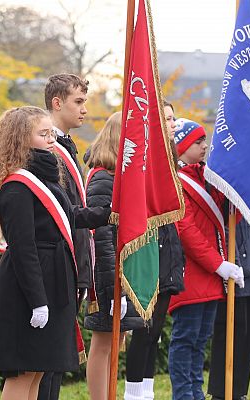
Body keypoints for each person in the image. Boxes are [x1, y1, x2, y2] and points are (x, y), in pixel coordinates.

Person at [0, 106, 110, 399]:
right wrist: (37, 300)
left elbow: (71, 215)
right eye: (43, 134)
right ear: (20, 140)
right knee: (24, 370)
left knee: (39, 370)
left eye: (51, 133)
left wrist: (110, 213)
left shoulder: (47, 178)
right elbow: (23, 248)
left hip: (54, 279)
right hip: (30, 286)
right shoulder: (17, 186)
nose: (51, 139)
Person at [168, 118, 244, 400]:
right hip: (192, 273)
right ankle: (183, 394)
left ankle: (195, 391)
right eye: (198, 142)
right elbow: (186, 231)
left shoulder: (207, 176)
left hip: (211, 275)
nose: (205, 146)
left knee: (200, 341)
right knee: (185, 339)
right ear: (183, 146)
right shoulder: (176, 182)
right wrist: (218, 264)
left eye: (204, 141)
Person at [124, 101, 185, 400]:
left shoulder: (171, 158)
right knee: (143, 329)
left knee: (155, 332)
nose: (174, 124)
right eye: (169, 119)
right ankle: (134, 392)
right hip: (149, 247)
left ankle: (146, 391)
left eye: (174, 119)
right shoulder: (147, 158)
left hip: (167, 244)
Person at [82, 112, 145, 400]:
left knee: (114, 342)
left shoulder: (117, 177)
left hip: (121, 273)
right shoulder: (102, 179)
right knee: (104, 343)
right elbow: (102, 237)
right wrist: (112, 287)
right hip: (106, 278)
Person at [40, 73, 91, 400]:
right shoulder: (48, 152)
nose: (84, 109)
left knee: (56, 360)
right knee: (45, 362)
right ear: (57, 103)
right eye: (79, 102)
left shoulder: (67, 148)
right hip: (56, 263)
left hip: (70, 262)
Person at [207, 219, 250, 400]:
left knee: (248, 333)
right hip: (233, 265)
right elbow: (224, 225)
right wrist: (230, 258)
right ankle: (221, 392)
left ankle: (239, 391)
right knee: (231, 331)